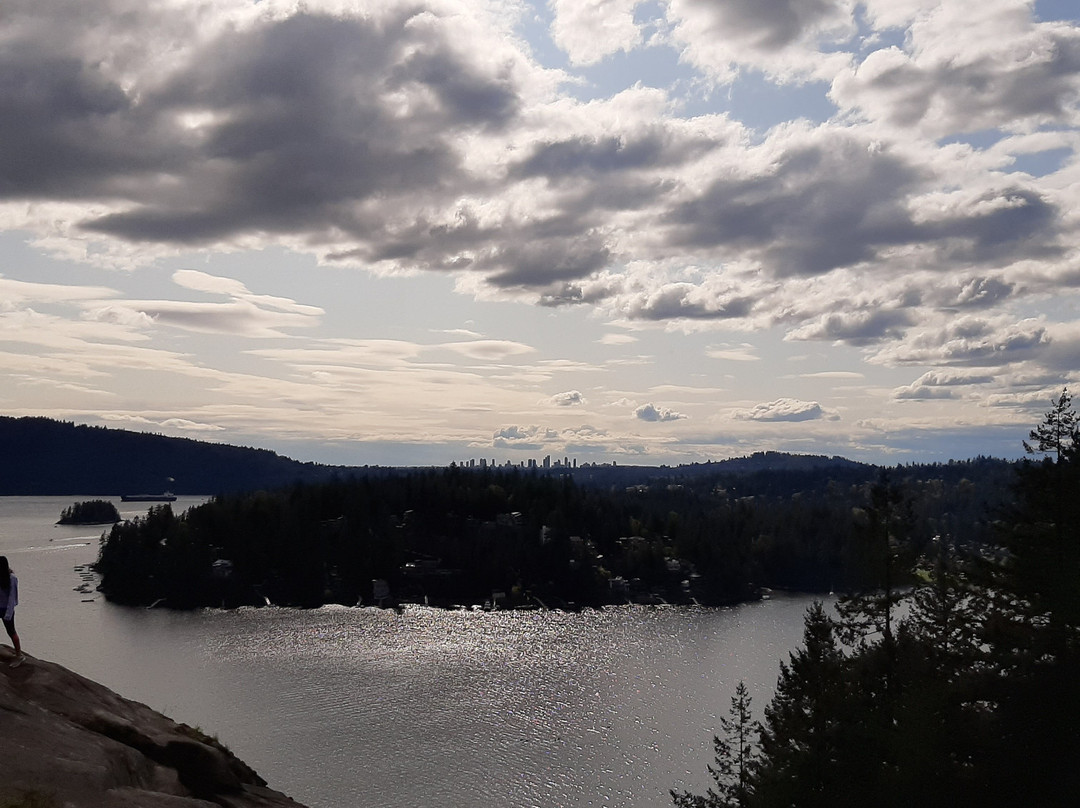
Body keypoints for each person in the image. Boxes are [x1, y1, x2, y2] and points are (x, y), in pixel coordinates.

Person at [0, 556, 23, 666]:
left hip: (6, 609)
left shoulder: (12, 578)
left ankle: (19, 655)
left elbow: (12, 597)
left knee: (11, 631)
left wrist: (8, 614)